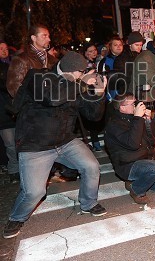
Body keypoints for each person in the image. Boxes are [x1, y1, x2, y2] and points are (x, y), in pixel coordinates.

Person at [3, 52, 108, 239]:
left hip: (65, 141)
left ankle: (88, 203)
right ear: (75, 71)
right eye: (81, 72)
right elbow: (52, 98)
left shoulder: (76, 85)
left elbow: (94, 116)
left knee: (91, 166)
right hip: (36, 145)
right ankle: (16, 217)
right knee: (35, 192)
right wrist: (81, 83)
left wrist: (99, 93)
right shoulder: (38, 76)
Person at [105, 93, 155, 204]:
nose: (137, 105)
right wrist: (138, 118)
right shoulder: (114, 125)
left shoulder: (136, 118)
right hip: (128, 165)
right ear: (122, 107)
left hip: (146, 160)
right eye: (133, 104)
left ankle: (136, 181)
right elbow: (133, 144)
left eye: (136, 102)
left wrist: (148, 120)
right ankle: (136, 190)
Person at [6, 24, 58, 97]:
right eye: (44, 36)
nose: (49, 39)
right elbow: (14, 87)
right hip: (31, 106)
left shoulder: (53, 60)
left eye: (48, 36)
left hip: (50, 105)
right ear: (34, 38)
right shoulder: (21, 59)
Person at [0, 41, 18, 183]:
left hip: (18, 111)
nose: (4, 51)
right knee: (10, 144)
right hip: (3, 114)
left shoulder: (15, 65)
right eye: (1, 49)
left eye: (6, 48)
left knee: (21, 142)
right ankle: (13, 170)